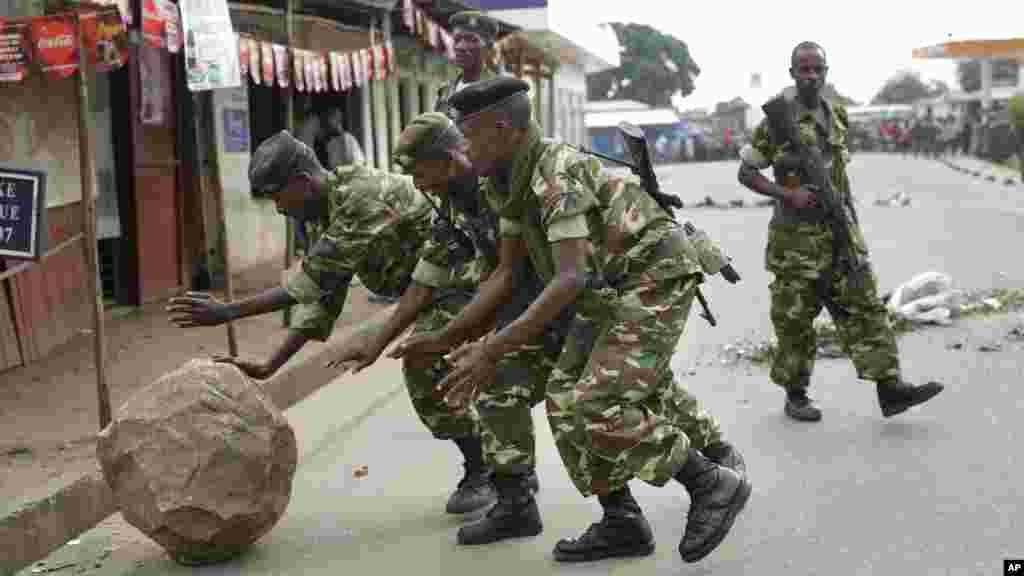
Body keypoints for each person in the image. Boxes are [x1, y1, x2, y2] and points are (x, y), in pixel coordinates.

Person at [390, 77, 749, 564]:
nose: (464, 149)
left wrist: (492, 347)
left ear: (503, 128)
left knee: (596, 403)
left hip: (651, 275)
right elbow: (506, 272)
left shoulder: (554, 172)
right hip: (607, 286)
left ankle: (710, 482)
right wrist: (448, 336)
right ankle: (622, 521)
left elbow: (569, 279)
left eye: (469, 136)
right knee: (565, 399)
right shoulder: (506, 181)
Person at [165, 131, 502, 514]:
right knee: (441, 368)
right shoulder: (327, 210)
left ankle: (485, 470)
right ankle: (503, 464)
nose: (278, 209)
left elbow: (311, 280)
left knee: (426, 364)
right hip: (427, 290)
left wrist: (228, 311)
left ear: (303, 183)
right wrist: (270, 365)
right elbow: (323, 298)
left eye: (278, 197)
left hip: (462, 279)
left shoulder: (361, 196)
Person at [736, 41, 944, 423]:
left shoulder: (840, 118)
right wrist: (788, 194)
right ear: (792, 73)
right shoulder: (775, 123)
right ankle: (796, 395)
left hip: (840, 235)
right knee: (795, 322)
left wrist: (852, 226)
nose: (811, 76)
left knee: (867, 310)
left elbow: (840, 178)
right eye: (803, 69)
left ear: (827, 72)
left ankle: (890, 388)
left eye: (817, 69)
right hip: (795, 245)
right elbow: (746, 173)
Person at [434, 11, 505, 117]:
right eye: (457, 40)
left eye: (471, 40)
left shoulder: (502, 91)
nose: (460, 47)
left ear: (489, 49)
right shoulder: (445, 92)